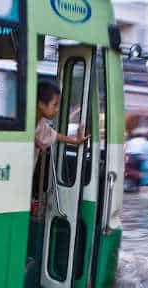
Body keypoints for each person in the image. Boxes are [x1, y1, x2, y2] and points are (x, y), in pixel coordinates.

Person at [31, 81, 89, 217]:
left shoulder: (41, 123)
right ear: (41, 104)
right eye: (55, 105)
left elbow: (55, 135)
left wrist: (76, 141)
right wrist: (35, 141)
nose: (57, 109)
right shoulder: (26, 121)